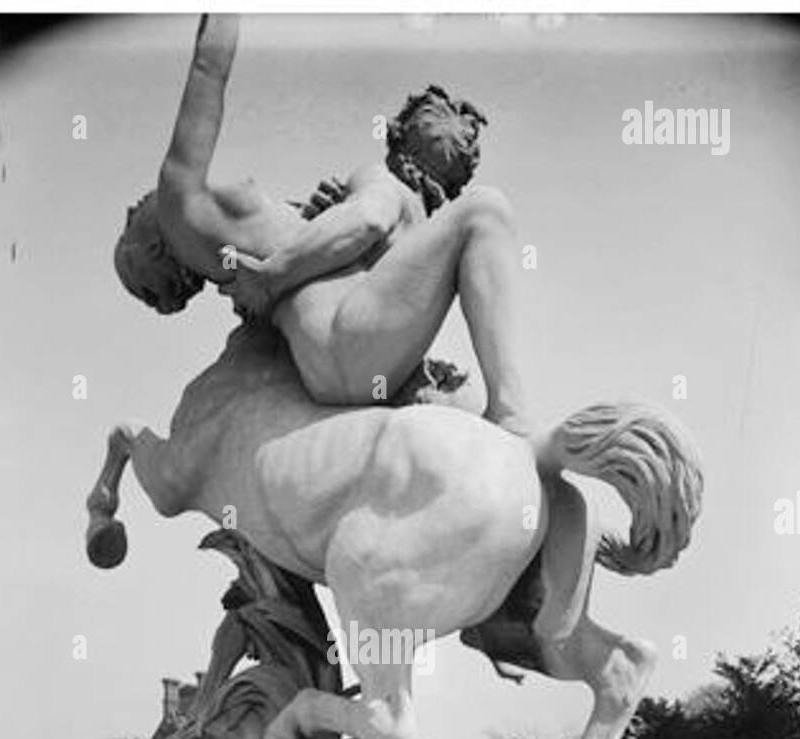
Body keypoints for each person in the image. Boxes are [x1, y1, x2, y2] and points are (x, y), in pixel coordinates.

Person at [114, 14, 533, 438]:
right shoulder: (184, 209)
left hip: (350, 349)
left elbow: (364, 242)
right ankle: (510, 411)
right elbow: (209, 68)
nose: (134, 207)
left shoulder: (239, 233)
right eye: (129, 224)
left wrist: (320, 219)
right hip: (345, 343)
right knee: (486, 210)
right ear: (154, 250)